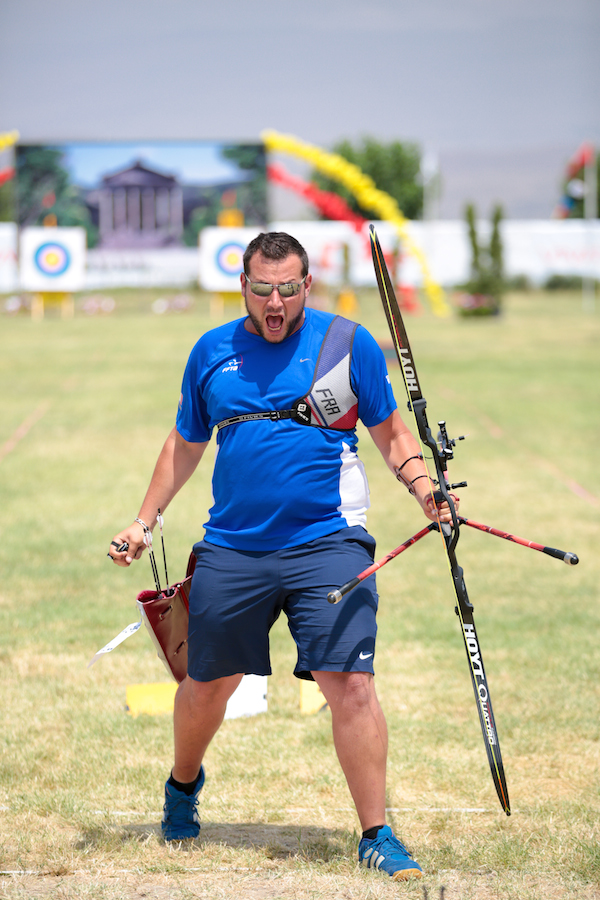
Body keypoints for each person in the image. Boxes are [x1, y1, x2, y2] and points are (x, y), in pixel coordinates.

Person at [109, 231, 456, 882]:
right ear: (242, 285)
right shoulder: (211, 352)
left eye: (289, 289)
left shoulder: (346, 345)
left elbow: (391, 431)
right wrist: (142, 522)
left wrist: (424, 490)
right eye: (263, 288)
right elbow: (185, 443)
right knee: (205, 686)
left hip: (329, 539)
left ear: (307, 287)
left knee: (350, 684)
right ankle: (183, 785)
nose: (276, 302)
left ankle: (376, 833)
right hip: (233, 547)